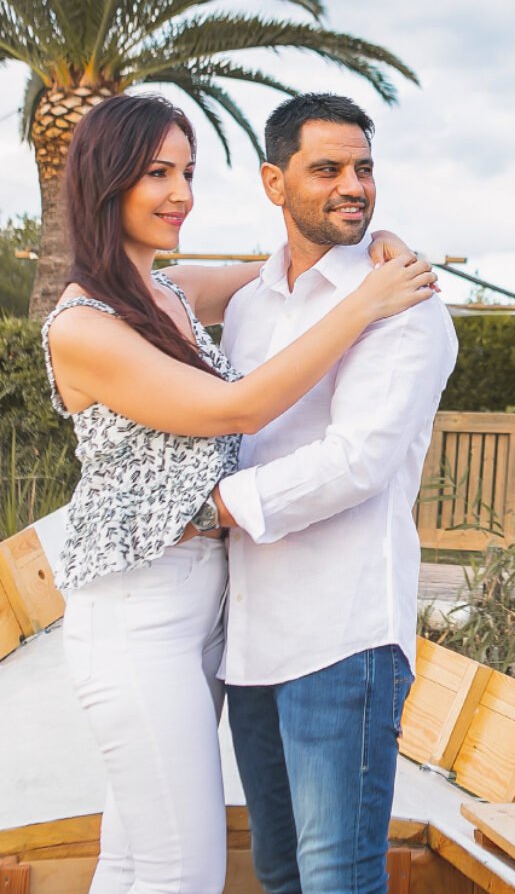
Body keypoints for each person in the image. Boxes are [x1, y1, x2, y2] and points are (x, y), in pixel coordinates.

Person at [43, 92, 436, 894]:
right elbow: (237, 407)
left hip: (224, 615)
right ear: (104, 181)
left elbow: (286, 269)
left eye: (187, 170)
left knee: (132, 855)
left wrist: (377, 254)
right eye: (156, 173)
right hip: (137, 611)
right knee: (180, 869)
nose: (181, 192)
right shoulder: (81, 325)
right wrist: (366, 297)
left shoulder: (174, 292)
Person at [208, 93, 457, 894]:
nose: (355, 186)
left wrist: (216, 509)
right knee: (279, 872)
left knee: (337, 878)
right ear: (274, 183)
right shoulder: (249, 305)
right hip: (252, 638)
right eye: (328, 169)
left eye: (364, 168)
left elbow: (358, 461)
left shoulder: (405, 305)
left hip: (343, 638)